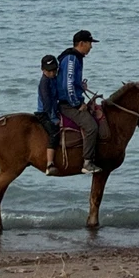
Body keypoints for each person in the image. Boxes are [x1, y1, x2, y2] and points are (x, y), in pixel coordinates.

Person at [55, 29, 102, 175]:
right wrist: (76, 104)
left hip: (71, 100)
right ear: (82, 43)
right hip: (68, 104)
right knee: (91, 126)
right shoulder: (71, 59)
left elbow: (71, 82)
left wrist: (80, 85)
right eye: (89, 43)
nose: (91, 47)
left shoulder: (75, 57)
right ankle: (87, 162)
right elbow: (67, 85)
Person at [34, 54, 61, 176]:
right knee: (54, 133)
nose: (53, 73)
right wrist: (54, 118)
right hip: (45, 113)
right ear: (43, 70)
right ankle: (50, 164)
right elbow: (47, 103)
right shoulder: (44, 83)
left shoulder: (54, 78)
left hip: (54, 109)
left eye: (55, 70)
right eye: (49, 71)